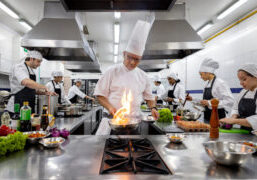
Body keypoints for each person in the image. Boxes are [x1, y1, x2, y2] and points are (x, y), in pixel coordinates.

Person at [94, 20, 159, 135]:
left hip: (133, 124)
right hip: (112, 121)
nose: (133, 62)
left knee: (133, 152)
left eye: (137, 59)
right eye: (130, 57)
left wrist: (153, 108)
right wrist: (110, 107)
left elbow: (149, 98)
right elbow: (100, 95)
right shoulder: (112, 71)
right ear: (124, 54)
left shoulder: (143, 76)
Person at [186, 58, 234, 123]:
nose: (201, 77)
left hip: (219, 118)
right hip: (207, 117)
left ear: (207, 73)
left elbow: (230, 101)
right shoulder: (207, 84)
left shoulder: (220, 83)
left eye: (201, 74)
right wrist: (192, 99)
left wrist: (209, 103)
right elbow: (205, 102)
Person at [220, 64, 257, 131]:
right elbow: (235, 108)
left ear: (255, 77)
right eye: (240, 80)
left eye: (244, 79)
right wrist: (233, 117)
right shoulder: (243, 92)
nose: (241, 83)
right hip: (244, 132)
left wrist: (234, 121)